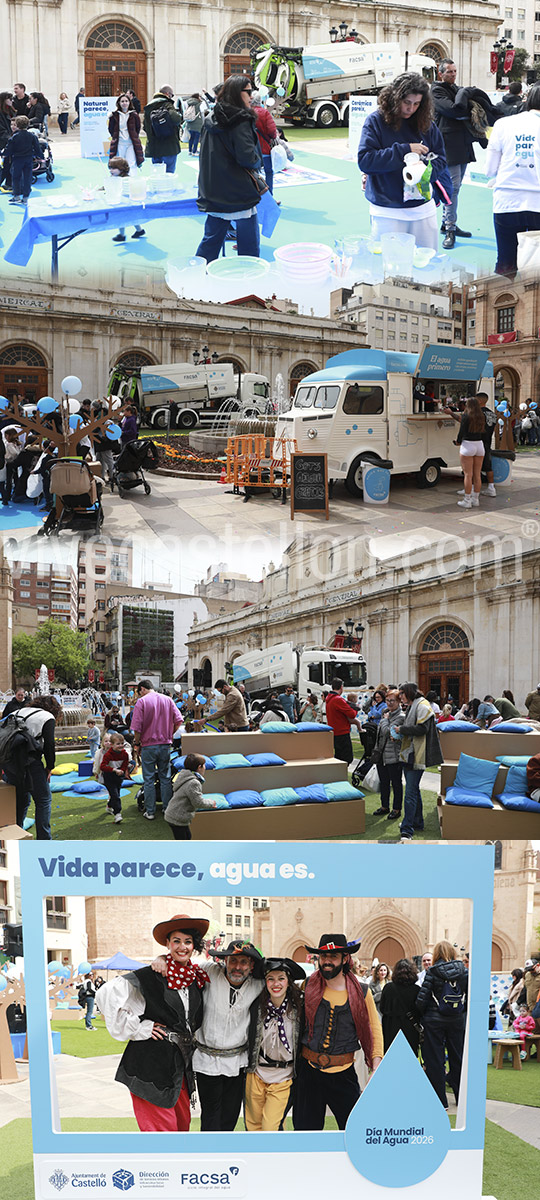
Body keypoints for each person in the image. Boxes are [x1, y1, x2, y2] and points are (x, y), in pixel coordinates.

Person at [96, 914, 210, 1131]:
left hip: (180, 1065)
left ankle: (177, 1165)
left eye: (187, 941)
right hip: (151, 1065)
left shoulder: (196, 977)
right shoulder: (151, 975)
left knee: (182, 1125)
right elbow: (106, 994)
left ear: (194, 945)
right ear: (168, 944)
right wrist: (140, 1028)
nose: (182, 947)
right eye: (176, 941)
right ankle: (162, 1166)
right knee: (161, 1132)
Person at [293, 932, 382, 1130]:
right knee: (305, 1133)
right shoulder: (308, 985)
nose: (327, 961)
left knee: (354, 1131)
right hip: (309, 1073)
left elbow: (375, 1030)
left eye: (333, 957)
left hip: (343, 1075)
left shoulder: (362, 992)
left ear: (345, 959)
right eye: (323, 957)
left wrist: (376, 1066)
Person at [357, 72, 452, 253]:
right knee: (390, 271)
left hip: (423, 209)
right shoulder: (375, 121)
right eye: (407, 102)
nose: (410, 109)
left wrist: (425, 172)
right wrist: (405, 150)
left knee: (427, 266)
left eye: (416, 104)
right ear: (394, 97)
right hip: (387, 210)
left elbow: (440, 159)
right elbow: (365, 161)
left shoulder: (427, 124)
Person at [187, 939, 264, 1131]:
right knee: (211, 1115)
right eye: (233, 961)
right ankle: (209, 1158)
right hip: (207, 1061)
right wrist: (162, 959)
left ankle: (224, 1157)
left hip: (237, 1062)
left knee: (230, 1115)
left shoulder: (259, 984)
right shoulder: (208, 971)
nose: (238, 967)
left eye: (244, 962)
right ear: (225, 961)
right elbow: (181, 965)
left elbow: (284, 976)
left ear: (252, 965)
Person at [196, 75, 265, 263]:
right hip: (237, 188)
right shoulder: (240, 120)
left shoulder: (212, 116)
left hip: (213, 187)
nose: (252, 96)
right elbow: (247, 157)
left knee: (211, 240)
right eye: (248, 92)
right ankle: (249, 278)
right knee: (249, 243)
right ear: (237, 93)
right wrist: (258, 161)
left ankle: (196, 276)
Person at [485, 85, 540, 277]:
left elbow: (490, 169)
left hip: (507, 201)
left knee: (506, 264)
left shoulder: (504, 124)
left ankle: (501, 304)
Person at [245, 957, 305, 1131]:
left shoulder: (299, 1008)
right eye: (271, 979)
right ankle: (257, 1159)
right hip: (257, 1073)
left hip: (283, 1076)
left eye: (281, 978)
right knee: (253, 1127)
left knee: (271, 1127)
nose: (275, 983)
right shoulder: (256, 1005)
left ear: (288, 982)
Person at [416, 940, 468, 1109]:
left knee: (435, 1061)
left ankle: (440, 1101)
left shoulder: (432, 971)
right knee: (457, 1058)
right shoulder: (463, 971)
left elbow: (422, 998)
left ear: (436, 954)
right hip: (456, 1020)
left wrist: (423, 1014)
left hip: (434, 1021)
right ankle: (461, 1098)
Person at [2, 694, 62, 840]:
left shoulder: (18, 711)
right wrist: (50, 767)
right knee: (43, 800)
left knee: (21, 800)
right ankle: (43, 840)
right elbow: (49, 745)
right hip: (30, 762)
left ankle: (16, 835)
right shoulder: (47, 717)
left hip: (9, 762)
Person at [431, 59, 475, 249]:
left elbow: (466, 109)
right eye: (449, 71)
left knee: (455, 188)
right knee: (452, 189)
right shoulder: (436, 91)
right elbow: (453, 110)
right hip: (448, 146)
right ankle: (450, 228)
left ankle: (446, 223)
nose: (453, 74)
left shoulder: (456, 89)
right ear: (440, 73)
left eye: (455, 71)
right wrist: (464, 102)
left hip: (462, 144)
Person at [397, 682, 443, 844]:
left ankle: (407, 829)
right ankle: (417, 823)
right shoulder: (414, 705)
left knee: (409, 793)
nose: (400, 697)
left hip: (417, 755)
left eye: (401, 693)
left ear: (409, 692)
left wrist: (401, 730)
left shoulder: (422, 705)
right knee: (413, 790)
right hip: (410, 753)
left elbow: (422, 729)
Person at [130, 680, 182, 820]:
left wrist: (137, 743)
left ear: (142, 689)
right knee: (165, 778)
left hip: (148, 745)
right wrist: (170, 733)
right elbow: (179, 720)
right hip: (165, 744)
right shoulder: (168, 700)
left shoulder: (141, 702)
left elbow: (137, 728)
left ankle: (151, 811)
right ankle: (167, 808)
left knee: (148, 779)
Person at [443, 395, 486, 509]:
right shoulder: (482, 416)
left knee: (468, 474)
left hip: (468, 445)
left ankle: (467, 500)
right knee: (477, 474)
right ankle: (475, 499)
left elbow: (461, 432)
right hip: (479, 445)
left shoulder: (466, 416)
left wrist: (457, 442)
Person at [164, 752, 217, 839]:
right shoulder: (193, 783)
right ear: (199, 767)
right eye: (204, 765)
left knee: (187, 836)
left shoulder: (184, 775)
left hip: (174, 814)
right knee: (184, 841)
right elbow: (197, 802)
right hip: (177, 818)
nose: (205, 768)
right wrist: (212, 803)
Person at [380, 958, 422, 1056]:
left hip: (391, 1029)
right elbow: (420, 1011)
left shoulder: (388, 988)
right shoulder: (417, 990)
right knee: (409, 1059)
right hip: (410, 1029)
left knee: (391, 1059)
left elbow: (382, 1008)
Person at [373, 689, 404, 819]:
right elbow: (380, 734)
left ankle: (396, 809)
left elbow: (388, 732)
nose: (389, 703)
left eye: (392, 701)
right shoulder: (386, 714)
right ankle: (384, 806)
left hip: (394, 756)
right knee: (384, 782)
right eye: (387, 700)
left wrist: (385, 720)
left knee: (396, 783)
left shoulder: (401, 717)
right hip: (382, 755)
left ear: (399, 701)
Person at [3, 115, 43, 205]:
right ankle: (26, 198)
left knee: (16, 177)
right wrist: (41, 156)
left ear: (17, 125)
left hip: (17, 160)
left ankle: (16, 196)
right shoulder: (32, 136)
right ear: (28, 124)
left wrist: (3, 154)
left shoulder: (14, 137)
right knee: (27, 178)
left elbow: (9, 149)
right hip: (28, 159)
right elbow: (37, 148)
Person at [143, 86, 182, 174]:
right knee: (169, 172)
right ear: (168, 94)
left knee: (157, 172)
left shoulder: (148, 107)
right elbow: (176, 119)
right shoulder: (167, 104)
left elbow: (145, 127)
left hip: (154, 145)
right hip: (169, 144)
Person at [106, 157, 146, 243]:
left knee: (122, 218)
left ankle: (122, 235)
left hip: (125, 202)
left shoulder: (126, 179)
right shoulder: (114, 177)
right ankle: (139, 230)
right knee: (130, 217)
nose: (111, 170)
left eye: (114, 168)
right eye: (110, 168)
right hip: (122, 202)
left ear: (121, 169)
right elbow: (109, 186)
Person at [325, 676, 362, 765]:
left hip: (335, 731)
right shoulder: (338, 699)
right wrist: (355, 708)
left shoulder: (329, 698)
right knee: (347, 758)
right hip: (342, 732)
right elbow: (352, 715)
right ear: (341, 687)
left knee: (339, 757)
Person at [251, 91, 279, 193]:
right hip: (264, 148)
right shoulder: (264, 113)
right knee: (268, 172)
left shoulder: (245, 112)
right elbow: (272, 130)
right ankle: (269, 195)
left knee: (252, 173)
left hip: (250, 148)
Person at [100, 731, 130, 823]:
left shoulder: (125, 754)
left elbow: (125, 764)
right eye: (118, 744)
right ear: (112, 745)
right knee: (115, 794)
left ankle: (109, 806)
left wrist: (122, 770)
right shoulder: (108, 755)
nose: (121, 745)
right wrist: (114, 770)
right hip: (109, 777)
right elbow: (103, 766)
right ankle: (118, 814)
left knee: (116, 793)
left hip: (119, 776)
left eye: (122, 743)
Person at [108, 94, 144, 170]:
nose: (124, 103)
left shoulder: (134, 115)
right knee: (119, 164)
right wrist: (116, 136)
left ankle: (132, 180)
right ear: (119, 103)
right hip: (119, 143)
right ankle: (121, 180)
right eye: (122, 101)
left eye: (126, 101)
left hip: (131, 143)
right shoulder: (114, 116)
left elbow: (137, 128)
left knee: (131, 163)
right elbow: (111, 129)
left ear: (129, 103)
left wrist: (133, 136)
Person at [0, 92, 15, 191]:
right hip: (4, 141)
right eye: (9, 99)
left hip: (10, 139)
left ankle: (9, 183)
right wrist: (9, 138)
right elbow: (1, 130)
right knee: (6, 165)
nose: (11, 101)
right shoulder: (1, 112)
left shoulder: (11, 110)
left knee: (9, 163)